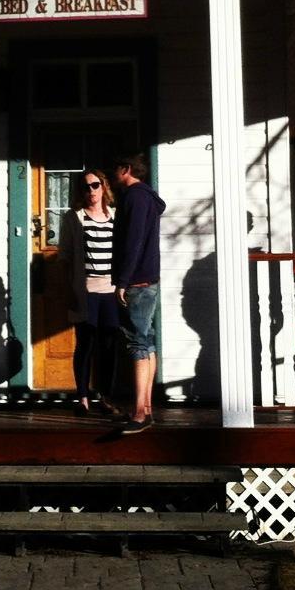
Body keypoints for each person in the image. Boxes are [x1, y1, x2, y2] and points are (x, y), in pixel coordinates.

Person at [58, 168, 120, 417]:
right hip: (86, 291)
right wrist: (69, 290)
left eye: (95, 185)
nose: (91, 191)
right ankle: (82, 398)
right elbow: (65, 257)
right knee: (86, 343)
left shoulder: (116, 216)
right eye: (86, 187)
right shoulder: (74, 218)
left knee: (110, 344)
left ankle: (105, 397)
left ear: (103, 187)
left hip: (112, 290)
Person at [112, 152, 165, 434]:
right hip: (149, 279)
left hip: (137, 281)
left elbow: (132, 243)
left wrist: (122, 280)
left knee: (137, 344)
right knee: (147, 341)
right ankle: (146, 407)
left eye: (115, 168)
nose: (112, 174)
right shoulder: (148, 197)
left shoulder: (134, 197)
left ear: (127, 168)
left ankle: (140, 412)